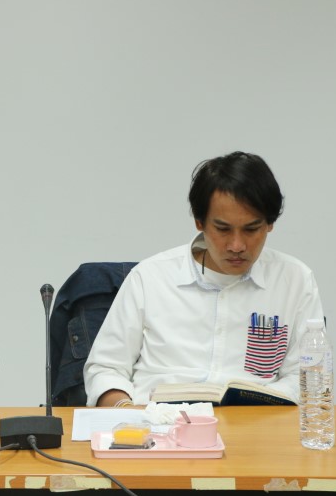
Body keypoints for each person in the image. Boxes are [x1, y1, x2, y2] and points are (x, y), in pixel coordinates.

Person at [84, 151, 323, 407]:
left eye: (252, 229)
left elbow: (307, 376)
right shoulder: (149, 278)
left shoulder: (295, 281)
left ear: (270, 224)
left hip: (253, 424)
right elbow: (105, 369)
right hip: (157, 421)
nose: (237, 245)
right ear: (200, 222)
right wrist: (126, 412)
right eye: (222, 229)